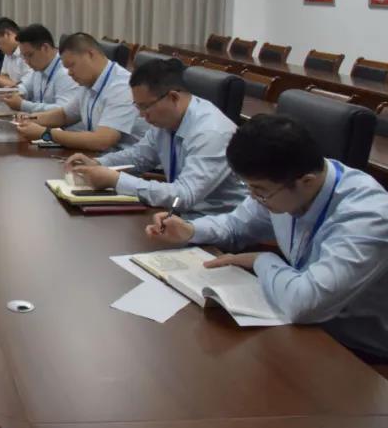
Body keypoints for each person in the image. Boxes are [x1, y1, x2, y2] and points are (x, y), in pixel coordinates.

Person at [147, 114, 388, 362]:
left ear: (306, 182)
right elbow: (236, 225)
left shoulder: (367, 216)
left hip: (357, 351)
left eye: (260, 191)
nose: (253, 197)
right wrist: (190, 230)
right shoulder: (283, 181)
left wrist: (261, 260)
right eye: (248, 187)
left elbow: (305, 304)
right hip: (294, 321)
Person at [65, 58, 246, 217]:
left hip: (217, 225)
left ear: (173, 97)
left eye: (145, 107)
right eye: (138, 106)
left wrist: (116, 180)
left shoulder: (211, 132)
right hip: (180, 216)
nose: (142, 115)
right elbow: (138, 157)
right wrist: (98, 164)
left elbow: (184, 195)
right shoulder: (167, 121)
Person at [14, 32, 147, 152]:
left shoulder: (121, 86)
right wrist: (30, 119)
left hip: (127, 165)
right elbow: (64, 115)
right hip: (99, 158)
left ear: (90, 54)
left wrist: (45, 133)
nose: (69, 73)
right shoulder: (88, 82)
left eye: (72, 65)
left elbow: (102, 141)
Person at [0, 24, 79, 114]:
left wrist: (23, 105)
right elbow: (25, 87)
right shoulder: (38, 69)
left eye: (30, 55)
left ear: (45, 48)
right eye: (24, 56)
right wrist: (15, 92)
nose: (27, 61)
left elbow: (63, 111)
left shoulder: (66, 72)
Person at [0, 17, 30, 87]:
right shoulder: (8, 53)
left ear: (8, 33)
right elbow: (3, 76)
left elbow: (26, 86)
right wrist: (2, 80)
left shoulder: (27, 52)